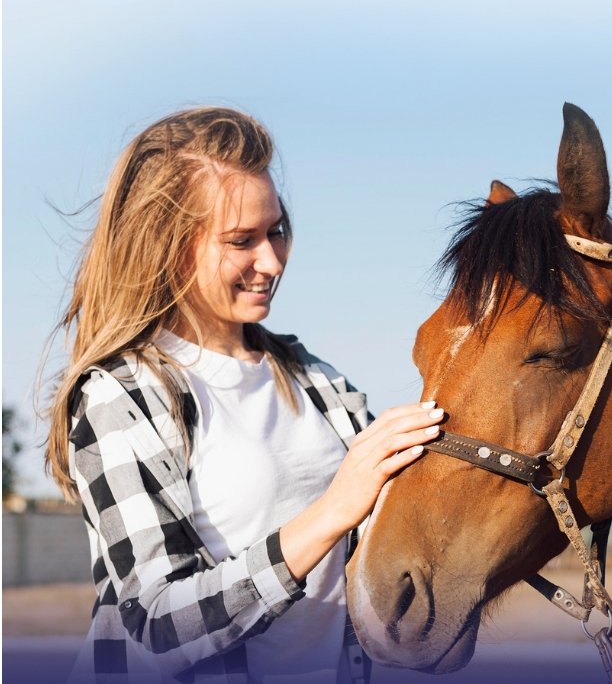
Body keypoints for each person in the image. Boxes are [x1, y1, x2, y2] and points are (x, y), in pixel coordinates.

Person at [44, 107, 443, 683]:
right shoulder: (120, 396)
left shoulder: (318, 382)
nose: (272, 260)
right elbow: (157, 626)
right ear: (166, 245)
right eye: (241, 240)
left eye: (276, 230)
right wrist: (331, 513)